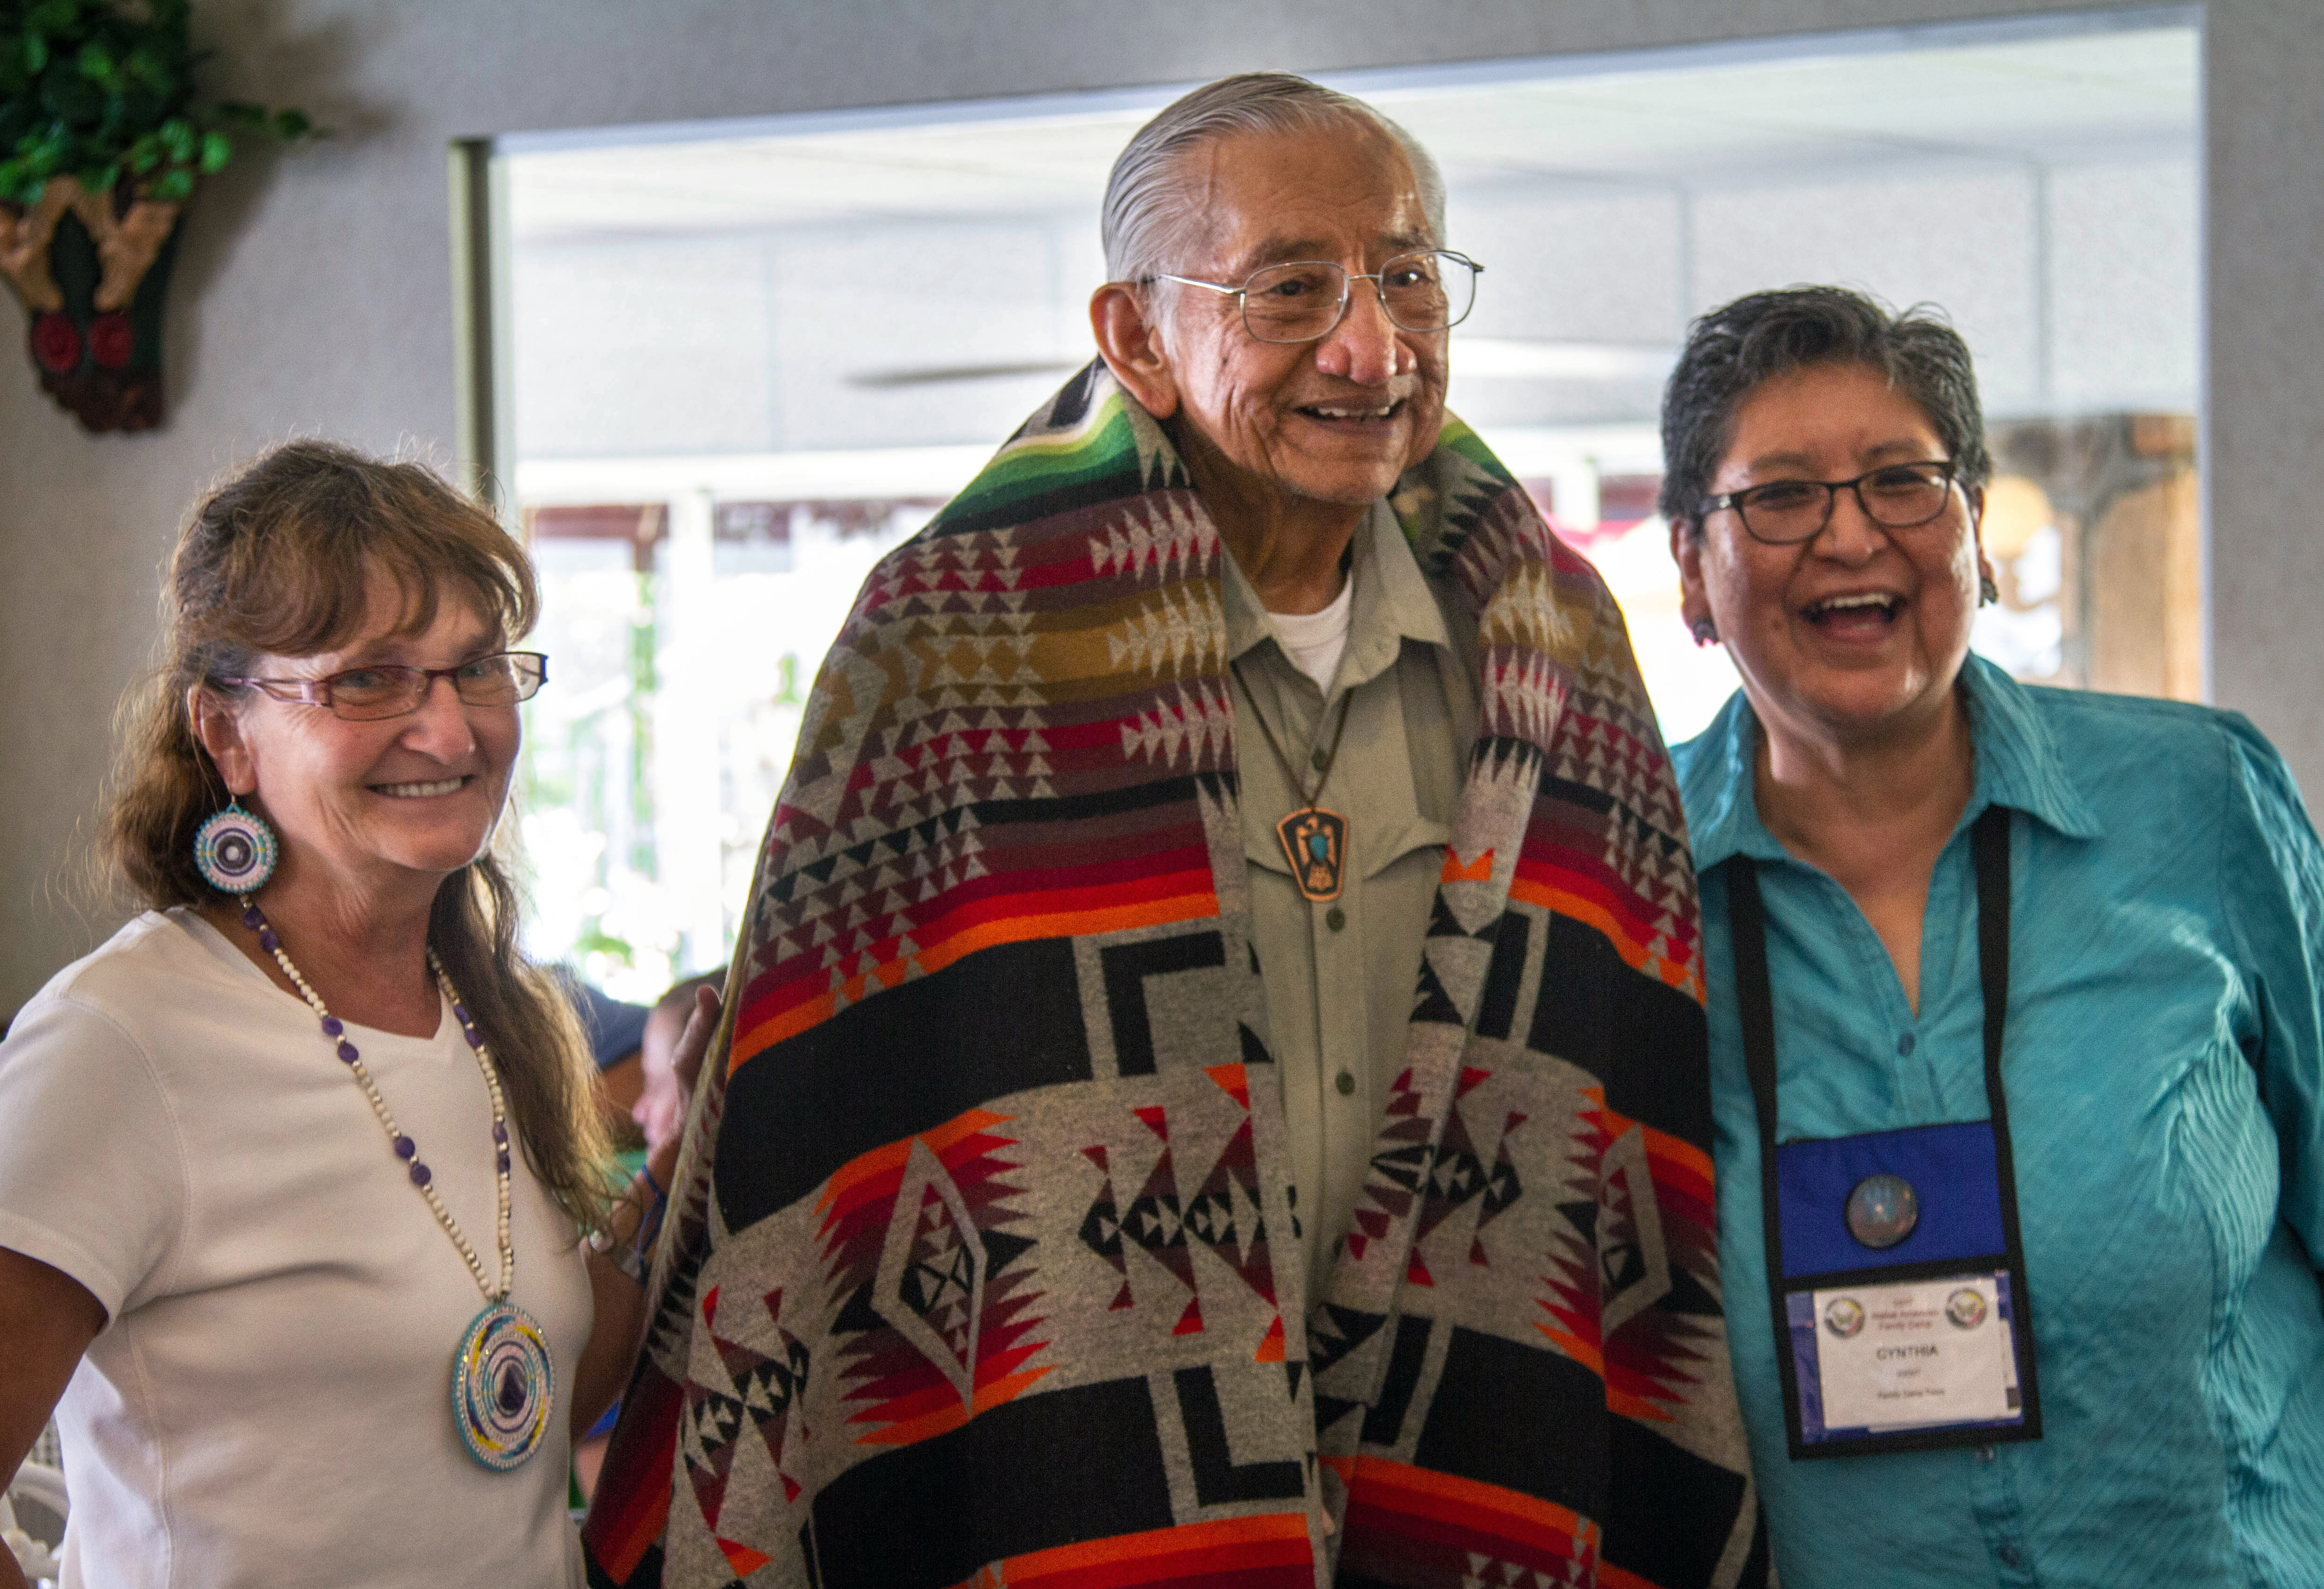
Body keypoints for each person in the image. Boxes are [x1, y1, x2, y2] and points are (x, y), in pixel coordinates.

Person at [584, 74, 1763, 1589]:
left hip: (1473, 1435)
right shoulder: (951, 645)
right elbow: (834, 1117)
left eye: (1407, 277)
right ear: (1134, 338)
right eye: (1290, 290)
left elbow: (1617, 1108)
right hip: (1065, 1453)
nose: (1370, 344)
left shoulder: (1550, 638)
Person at [1664, 286, 2324, 1585]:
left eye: (1901, 480)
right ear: (1690, 565)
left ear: (1968, 526)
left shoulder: (2194, 800)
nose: (1849, 535)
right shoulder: (1626, 884)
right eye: (1781, 495)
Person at [0, 442, 715, 1589]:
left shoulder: (491, 1014)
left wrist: (675, 1174)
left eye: (476, 668)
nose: (450, 730)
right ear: (226, 733)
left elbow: (505, 1408)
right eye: (369, 679)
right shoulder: (121, 1041)